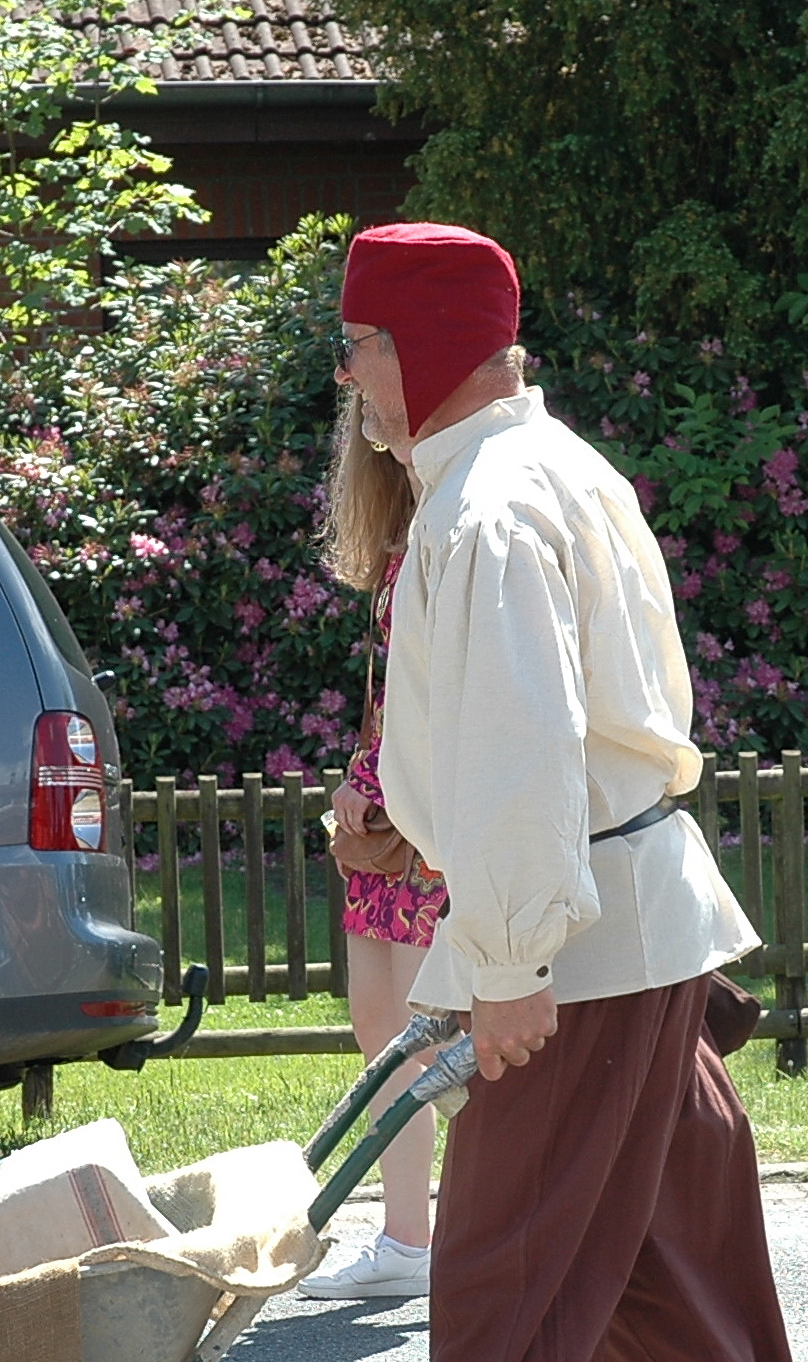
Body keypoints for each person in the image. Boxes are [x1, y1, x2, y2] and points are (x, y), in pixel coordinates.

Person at [311, 222, 808, 1362]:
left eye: (358, 346)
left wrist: (507, 961)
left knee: (507, 1287)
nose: (349, 378)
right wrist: (426, 834)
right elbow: (535, 744)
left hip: (575, 948)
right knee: (654, 1269)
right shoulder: (547, 468)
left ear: (417, 345)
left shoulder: (483, 508)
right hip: (633, 924)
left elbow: (526, 757)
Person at [300, 387, 446, 1300]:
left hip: (433, 818)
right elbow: (398, 692)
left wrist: (379, 781)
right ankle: (408, 1242)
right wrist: (365, 775)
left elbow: (447, 695)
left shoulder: (455, 524)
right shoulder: (408, 533)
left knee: (438, 1038)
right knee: (382, 1030)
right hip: (394, 810)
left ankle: (476, 1237)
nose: (367, 431)